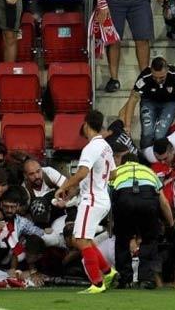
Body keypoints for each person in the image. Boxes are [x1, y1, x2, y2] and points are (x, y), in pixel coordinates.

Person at [54, 110, 118, 294]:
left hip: (92, 200)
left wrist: (64, 186)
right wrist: (77, 189)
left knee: (80, 240)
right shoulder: (106, 146)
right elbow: (113, 174)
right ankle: (107, 271)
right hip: (102, 198)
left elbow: (82, 172)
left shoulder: (91, 147)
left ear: (87, 124)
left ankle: (97, 283)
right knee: (84, 239)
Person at [92, 0, 167, 92]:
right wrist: (101, 3)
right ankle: (114, 79)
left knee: (143, 39)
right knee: (113, 40)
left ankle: (144, 77)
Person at [110, 152, 163, 289]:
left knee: (122, 241)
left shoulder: (116, 171)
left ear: (122, 162)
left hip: (124, 202)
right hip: (148, 202)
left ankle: (125, 280)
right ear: (138, 162)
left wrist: (112, 224)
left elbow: (109, 198)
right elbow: (163, 200)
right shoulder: (150, 172)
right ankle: (146, 279)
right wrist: (169, 220)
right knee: (149, 240)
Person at [123, 57, 175, 148]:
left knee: (160, 135)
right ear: (151, 70)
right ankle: (145, 157)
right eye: (155, 77)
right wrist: (127, 126)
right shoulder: (145, 76)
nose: (158, 80)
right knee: (147, 133)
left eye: (161, 77)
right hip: (149, 102)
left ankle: (160, 158)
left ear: (167, 70)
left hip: (170, 102)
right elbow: (133, 99)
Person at [0, 187, 46, 276]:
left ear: (18, 206)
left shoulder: (21, 222)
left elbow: (39, 232)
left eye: (12, 207)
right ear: (1, 204)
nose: (9, 210)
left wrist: (45, 230)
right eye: (6, 206)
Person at [22, 159, 68, 229]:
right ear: (25, 175)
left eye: (38, 171)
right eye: (32, 174)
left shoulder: (48, 172)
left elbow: (68, 185)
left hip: (60, 210)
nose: (37, 176)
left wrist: (65, 200)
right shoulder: (25, 189)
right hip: (42, 221)